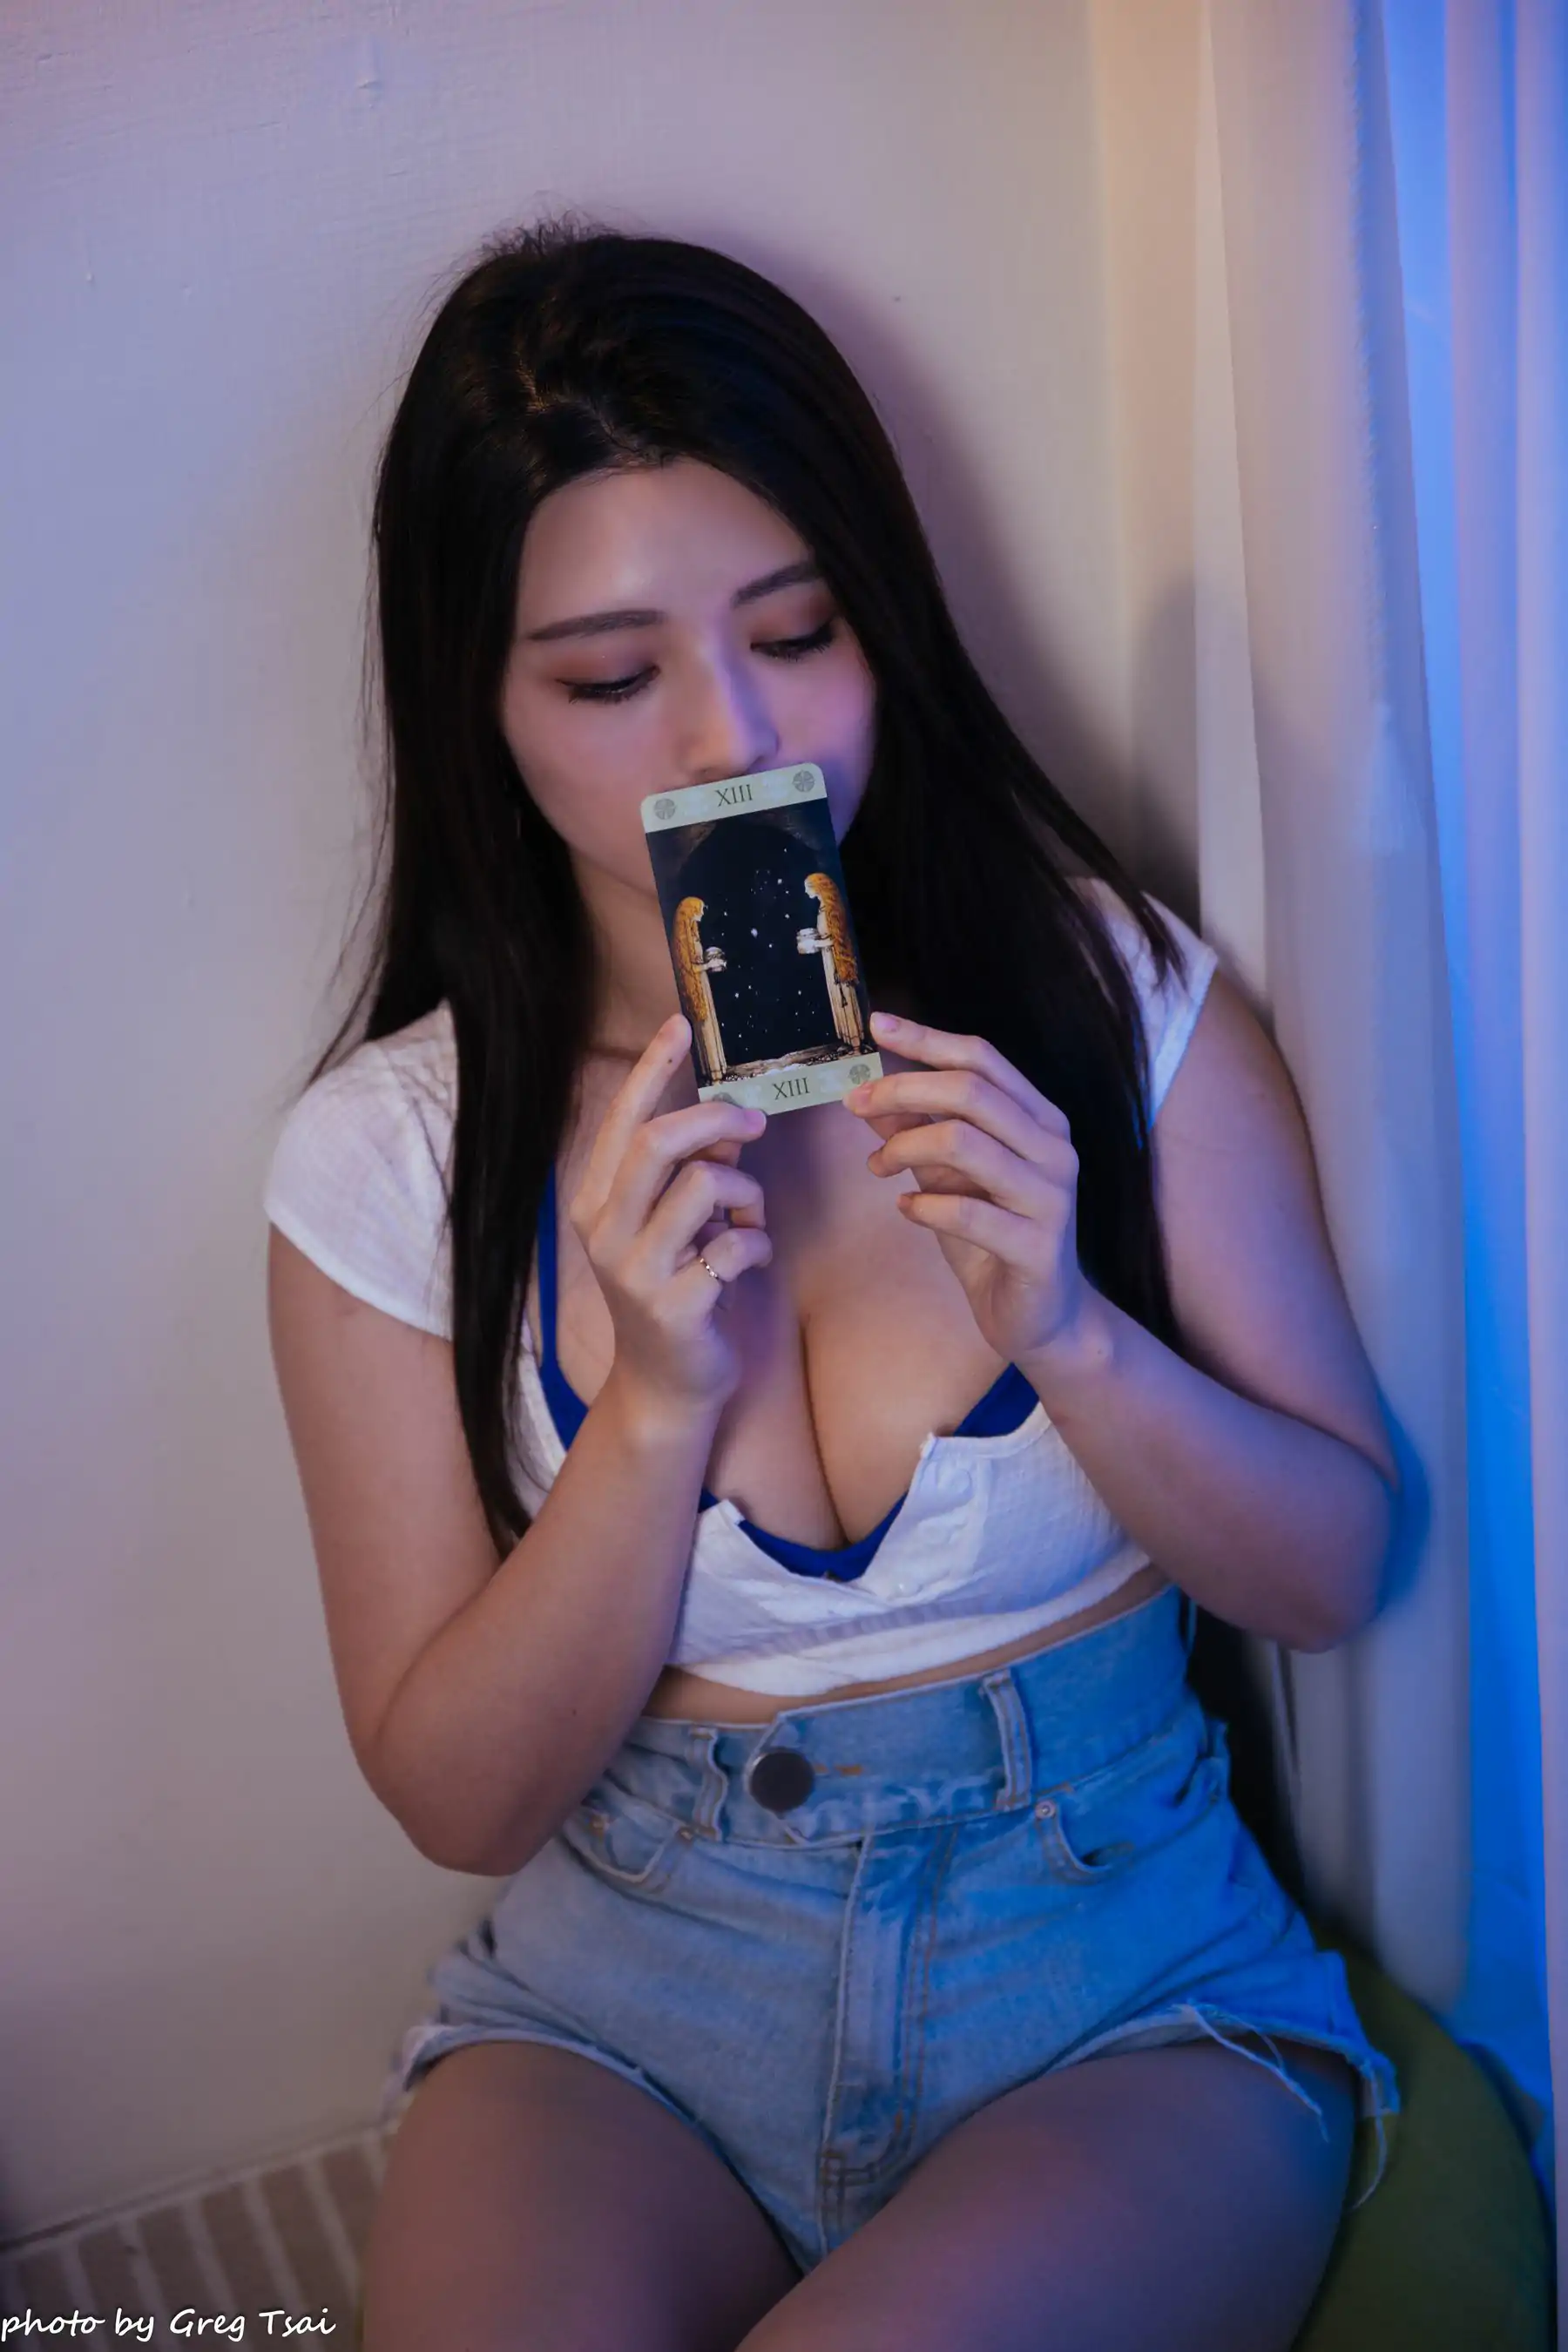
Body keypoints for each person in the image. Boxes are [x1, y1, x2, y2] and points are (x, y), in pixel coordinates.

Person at [264, 215, 1402, 2352]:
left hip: (1115, 1975)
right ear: (481, 707)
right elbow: (458, 1800)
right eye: (610, 678)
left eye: (798, 632)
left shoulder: (1112, 1007)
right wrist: (654, 1411)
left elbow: (1336, 1571)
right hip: (629, 1993)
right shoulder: (390, 1158)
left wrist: (1071, 1331)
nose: (731, 736)